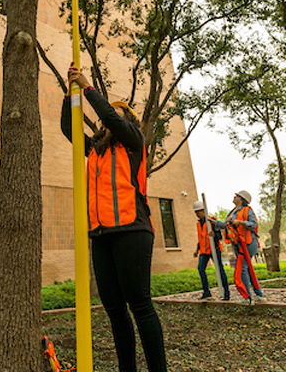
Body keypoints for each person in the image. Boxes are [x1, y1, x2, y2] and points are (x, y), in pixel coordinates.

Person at [61, 64, 167, 372]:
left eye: (117, 115)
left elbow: (108, 116)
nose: (110, 120)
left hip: (132, 230)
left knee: (140, 305)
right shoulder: (95, 149)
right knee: (115, 310)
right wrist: (71, 93)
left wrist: (89, 86)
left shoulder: (134, 141)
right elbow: (69, 129)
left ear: (127, 120)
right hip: (101, 235)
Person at [210, 190, 266, 305]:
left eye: (236, 196)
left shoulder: (247, 210)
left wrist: (240, 222)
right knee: (247, 268)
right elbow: (226, 225)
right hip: (237, 243)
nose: (234, 197)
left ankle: (248, 297)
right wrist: (214, 223)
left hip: (248, 242)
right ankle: (259, 294)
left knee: (243, 268)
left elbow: (253, 224)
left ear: (242, 199)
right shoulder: (231, 212)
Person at [192, 201, 230, 301]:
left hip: (214, 249)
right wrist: (197, 249)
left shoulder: (212, 221)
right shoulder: (198, 223)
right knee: (200, 269)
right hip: (204, 250)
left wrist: (214, 235)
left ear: (204, 210)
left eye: (198, 211)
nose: (197, 214)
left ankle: (227, 293)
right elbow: (201, 238)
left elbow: (219, 236)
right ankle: (206, 292)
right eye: (195, 212)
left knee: (220, 270)